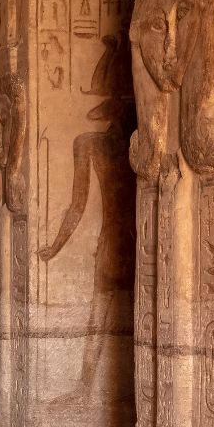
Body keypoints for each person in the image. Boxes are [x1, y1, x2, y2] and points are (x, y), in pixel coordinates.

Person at [37, 34, 136, 403]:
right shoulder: (145, 141)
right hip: (140, 242)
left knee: (100, 315)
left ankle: (83, 388)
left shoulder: (89, 143)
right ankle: (99, 390)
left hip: (113, 243)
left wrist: (54, 247)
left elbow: (76, 208)